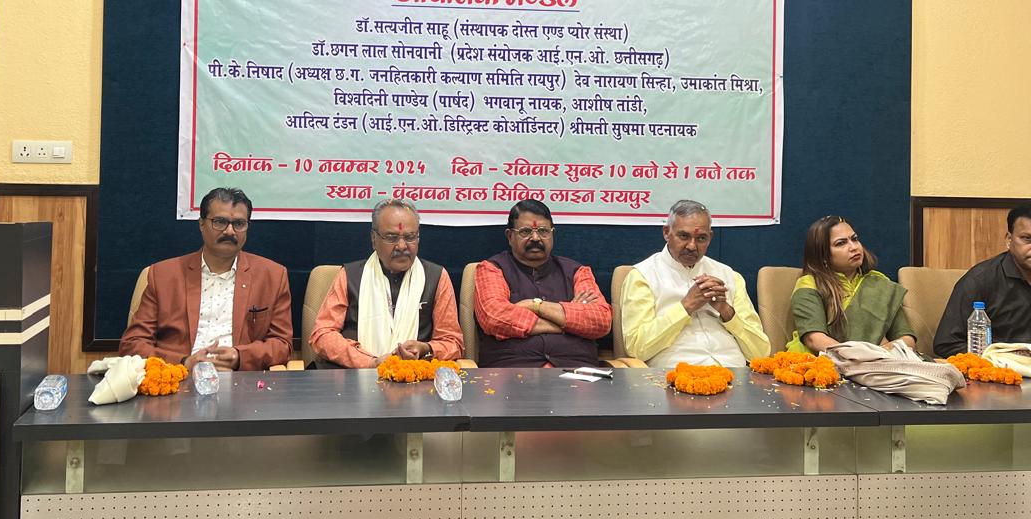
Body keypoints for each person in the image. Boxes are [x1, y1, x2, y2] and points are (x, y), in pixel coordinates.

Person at [120, 187, 292, 371]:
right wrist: (184, 363)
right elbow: (133, 344)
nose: (230, 231)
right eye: (220, 222)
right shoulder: (164, 275)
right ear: (201, 224)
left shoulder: (273, 276)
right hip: (178, 378)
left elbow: (282, 345)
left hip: (241, 380)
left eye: (239, 224)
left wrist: (240, 356)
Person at [309, 198, 464, 368]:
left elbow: (453, 342)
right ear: (374, 239)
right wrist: (370, 362)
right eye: (391, 238)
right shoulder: (350, 275)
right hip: (353, 375)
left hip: (416, 375)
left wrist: (426, 349)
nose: (402, 246)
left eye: (410, 237)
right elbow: (323, 335)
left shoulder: (436, 277)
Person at [620, 199, 770, 368]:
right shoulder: (643, 275)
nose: (692, 246)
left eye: (701, 238)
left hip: (733, 372)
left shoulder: (728, 275)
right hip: (675, 374)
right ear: (666, 233)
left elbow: (761, 352)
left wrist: (726, 311)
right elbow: (637, 348)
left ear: (710, 238)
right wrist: (686, 306)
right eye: (684, 236)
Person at [472, 199, 611, 367]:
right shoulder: (492, 269)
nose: (535, 238)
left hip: (578, 371)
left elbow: (601, 321)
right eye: (525, 231)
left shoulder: (577, 271)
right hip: (511, 371)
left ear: (552, 234)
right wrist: (569, 321)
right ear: (509, 236)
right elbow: (495, 318)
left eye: (543, 231)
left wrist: (534, 306)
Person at [790, 216, 914, 352]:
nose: (854, 247)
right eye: (841, 243)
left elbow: (907, 338)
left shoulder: (880, 283)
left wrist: (879, 353)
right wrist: (857, 356)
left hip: (876, 360)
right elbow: (814, 339)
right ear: (823, 256)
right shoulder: (810, 284)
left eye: (854, 239)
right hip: (821, 360)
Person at [933, 204, 1031, 358]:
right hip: (998, 367)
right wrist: (999, 357)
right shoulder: (980, 280)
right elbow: (947, 343)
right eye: (1027, 238)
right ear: (1009, 240)